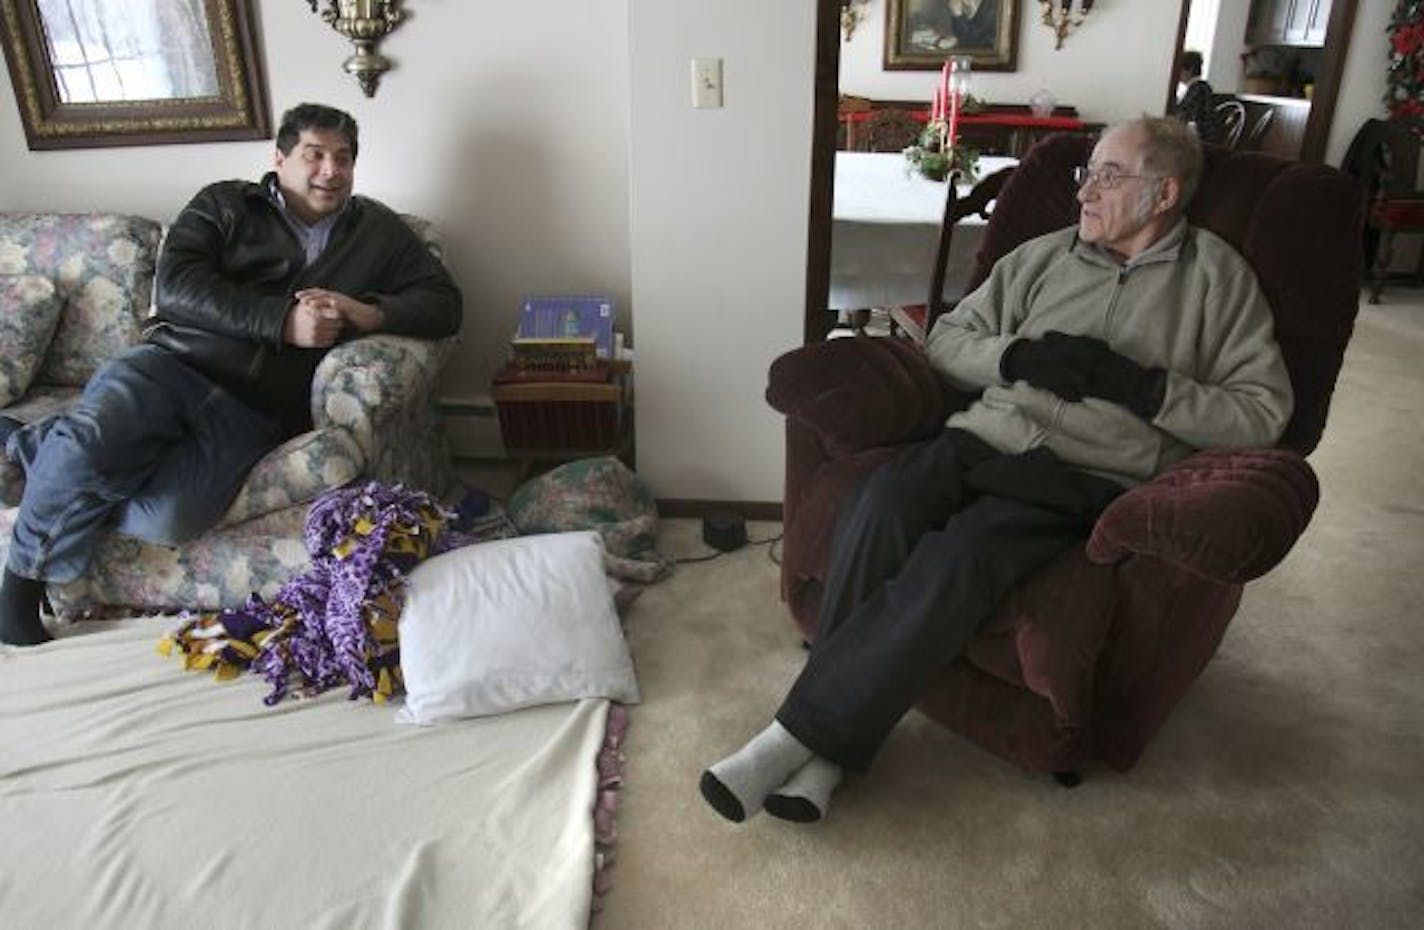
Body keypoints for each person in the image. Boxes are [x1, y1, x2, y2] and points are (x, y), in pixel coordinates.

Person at [699, 116, 1294, 824]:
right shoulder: (1045, 258)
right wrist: (1017, 359)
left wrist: (1147, 389)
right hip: (987, 435)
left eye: (1108, 175)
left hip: (1086, 471)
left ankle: (798, 739)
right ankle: (827, 746)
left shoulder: (1216, 281)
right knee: (883, 501)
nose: (1086, 192)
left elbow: (1262, 414)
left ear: (1163, 194)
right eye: (1087, 174)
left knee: (962, 555)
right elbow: (949, 340)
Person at [0, 102, 463, 646]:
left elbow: (443, 304)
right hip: (171, 365)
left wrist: (367, 312)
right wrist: (281, 321)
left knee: (168, 519)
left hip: (257, 407)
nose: (330, 171)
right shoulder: (225, 204)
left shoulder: (378, 232)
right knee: (91, 444)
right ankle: (21, 585)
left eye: (343, 158)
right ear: (281, 158)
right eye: (314, 155)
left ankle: (34, 445)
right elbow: (178, 287)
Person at [1173, 51, 1219, 142]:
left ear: (1189, 70)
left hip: (1201, 138)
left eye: (1180, 69)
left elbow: (1188, 115)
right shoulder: (1197, 88)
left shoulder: (1199, 89)